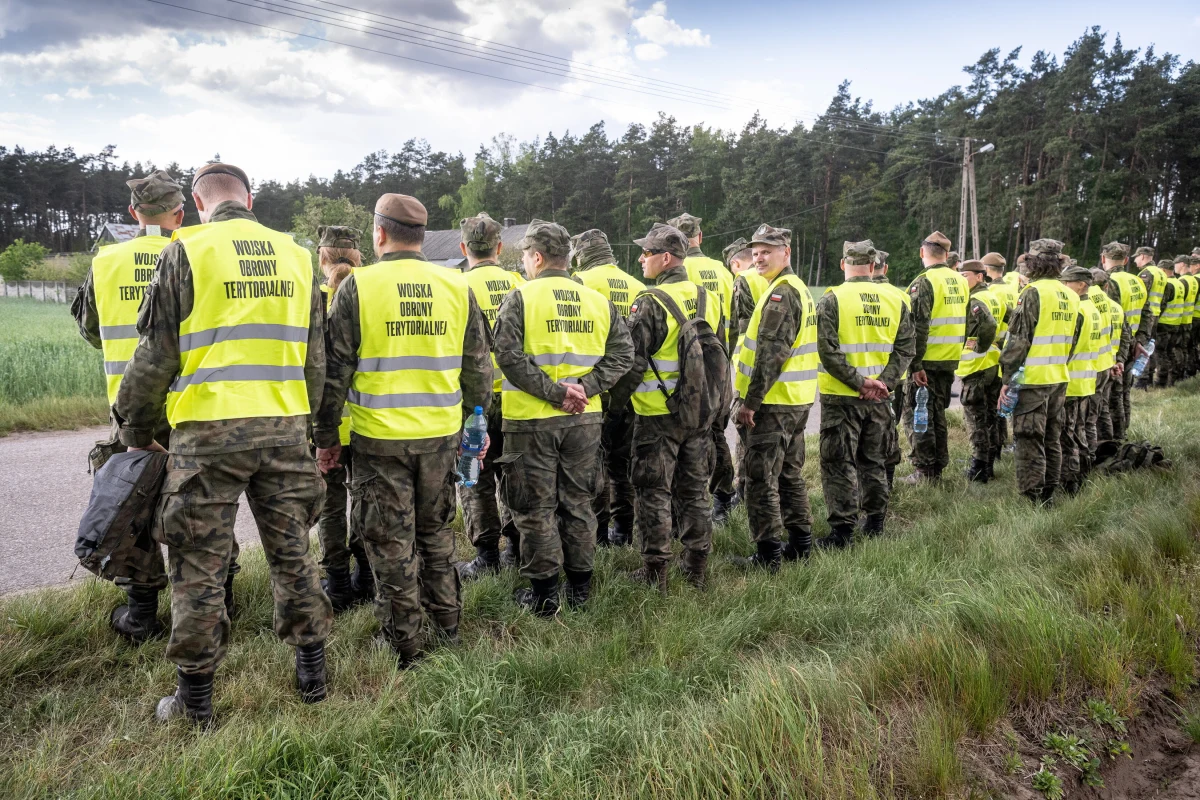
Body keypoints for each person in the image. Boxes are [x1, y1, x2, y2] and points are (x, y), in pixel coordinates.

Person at [114, 162, 333, 723]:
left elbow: (156, 354)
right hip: (285, 430)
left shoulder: (185, 251)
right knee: (293, 555)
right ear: (250, 199)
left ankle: (195, 700)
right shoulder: (298, 255)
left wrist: (135, 429)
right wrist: (308, 430)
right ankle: (312, 673)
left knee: (199, 565)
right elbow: (315, 360)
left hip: (208, 436)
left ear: (198, 200)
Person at [315, 194, 492, 666]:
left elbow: (335, 372)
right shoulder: (456, 286)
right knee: (436, 534)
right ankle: (448, 624)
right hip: (441, 436)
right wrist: (477, 424)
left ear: (379, 234)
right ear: (420, 236)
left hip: (380, 441)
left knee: (390, 544)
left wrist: (326, 437)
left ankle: (404, 642)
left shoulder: (358, 287)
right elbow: (478, 370)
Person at [491, 220, 633, 616]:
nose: (523, 261)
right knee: (578, 502)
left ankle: (545, 595)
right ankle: (581, 590)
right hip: (585, 421)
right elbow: (623, 355)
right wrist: (585, 389)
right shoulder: (596, 301)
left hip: (530, 422)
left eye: (524, 255)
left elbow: (507, 357)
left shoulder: (520, 298)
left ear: (537, 257)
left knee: (534, 507)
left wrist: (557, 393)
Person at [73, 170, 186, 643]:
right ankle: (215, 599)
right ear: (180, 214)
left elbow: (90, 330)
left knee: (132, 508)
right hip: (188, 403)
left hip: (129, 406)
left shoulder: (107, 261)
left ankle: (141, 615)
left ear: (132, 214)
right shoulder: (192, 253)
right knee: (195, 502)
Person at [608, 223, 723, 590]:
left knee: (652, 492)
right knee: (694, 491)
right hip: (700, 412)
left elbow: (632, 362)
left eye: (647, 253)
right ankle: (697, 568)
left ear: (666, 258)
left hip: (657, 414)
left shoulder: (649, 302)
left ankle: (655, 571)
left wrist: (611, 409)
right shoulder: (708, 297)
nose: (641, 258)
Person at [729, 224, 819, 570]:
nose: (759, 257)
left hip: (774, 403)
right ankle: (800, 544)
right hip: (795, 400)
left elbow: (771, 353)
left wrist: (751, 402)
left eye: (767, 250)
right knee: (789, 475)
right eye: (755, 252)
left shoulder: (781, 294)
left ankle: (768, 556)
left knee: (759, 477)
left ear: (786, 252)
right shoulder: (795, 287)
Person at [814, 241, 914, 548]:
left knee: (839, 462)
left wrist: (859, 382)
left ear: (843, 265)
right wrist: (884, 382)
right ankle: (875, 523)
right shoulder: (896, 299)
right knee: (874, 460)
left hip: (842, 397)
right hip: (881, 397)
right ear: (873, 266)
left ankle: (842, 532)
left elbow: (826, 350)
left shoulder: (832, 299)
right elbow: (906, 348)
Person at [454, 212, 525, 580]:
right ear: (499, 247)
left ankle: (486, 556)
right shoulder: (520, 283)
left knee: (474, 475)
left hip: (475, 402)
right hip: (515, 399)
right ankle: (515, 547)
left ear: (463, 248)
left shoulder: (454, 285)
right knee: (512, 472)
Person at [571, 228, 645, 547]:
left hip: (597, 389)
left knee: (595, 465)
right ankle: (625, 529)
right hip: (632, 390)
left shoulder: (582, 284)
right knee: (623, 463)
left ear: (582, 254)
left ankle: (599, 533)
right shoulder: (639, 285)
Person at [313, 225, 373, 611]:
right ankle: (367, 576)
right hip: (368, 422)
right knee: (366, 501)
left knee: (331, 506)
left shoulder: (311, 302)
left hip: (326, 424)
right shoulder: (370, 296)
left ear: (322, 258)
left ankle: (337, 585)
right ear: (359, 258)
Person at [997, 239, 1079, 505]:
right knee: (1052, 438)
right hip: (1058, 377)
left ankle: (1032, 499)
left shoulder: (1033, 293)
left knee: (1029, 440)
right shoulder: (1070, 294)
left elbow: (1018, 341)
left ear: (1034, 263)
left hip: (1032, 381)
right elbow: (1073, 340)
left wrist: (1007, 380)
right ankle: (1049, 493)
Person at [669, 212, 737, 524]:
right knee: (717, 433)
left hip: (686, 366)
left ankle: (685, 503)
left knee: (685, 437)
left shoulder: (677, 268)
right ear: (700, 235)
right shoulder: (721, 270)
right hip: (718, 363)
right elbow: (731, 321)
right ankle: (723, 496)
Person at [901, 231, 969, 483]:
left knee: (918, 415)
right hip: (949, 358)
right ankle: (938, 465)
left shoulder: (925, 281)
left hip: (926, 361)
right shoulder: (960, 280)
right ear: (947, 254)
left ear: (922, 252)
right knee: (938, 413)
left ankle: (924, 469)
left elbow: (918, 326)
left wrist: (915, 363)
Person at [725, 236, 769, 501]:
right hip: (783, 374)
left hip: (749, 366)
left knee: (746, 436)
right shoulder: (787, 282)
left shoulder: (745, 279)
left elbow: (741, 328)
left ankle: (742, 492)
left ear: (736, 263)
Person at [953, 259, 1001, 483]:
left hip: (977, 367)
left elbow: (990, 325)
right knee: (989, 416)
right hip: (993, 365)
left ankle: (979, 467)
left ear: (979, 276)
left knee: (976, 419)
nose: (962, 280)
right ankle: (989, 464)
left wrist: (981, 348)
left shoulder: (975, 299)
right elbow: (1010, 318)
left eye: (966, 276)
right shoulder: (993, 295)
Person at [1060, 265, 1102, 495]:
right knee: (1080, 431)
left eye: (1067, 283)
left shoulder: (1078, 310)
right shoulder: (1093, 309)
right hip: (1086, 379)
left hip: (1071, 382)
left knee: (1067, 436)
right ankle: (1085, 475)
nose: (1064, 287)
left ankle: (1070, 483)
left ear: (1081, 285)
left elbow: (1068, 348)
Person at [1101, 242, 1150, 440]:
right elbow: (1147, 313)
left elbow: (1116, 317)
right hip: (1134, 342)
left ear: (1104, 259)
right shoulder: (1137, 280)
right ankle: (1123, 432)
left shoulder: (1110, 282)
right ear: (1127, 260)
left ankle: (1114, 438)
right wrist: (1140, 341)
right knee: (1125, 393)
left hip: (1117, 345)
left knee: (1113, 396)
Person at [872, 249, 911, 490]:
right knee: (889, 433)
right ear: (884, 268)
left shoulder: (846, 295)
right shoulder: (900, 296)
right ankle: (887, 484)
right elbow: (909, 341)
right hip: (894, 379)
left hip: (859, 382)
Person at [1086, 269, 1127, 455]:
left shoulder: (1089, 304)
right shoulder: (1115, 307)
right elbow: (1125, 336)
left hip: (1095, 366)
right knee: (1104, 409)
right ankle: (1110, 446)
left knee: (1092, 415)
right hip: (1110, 363)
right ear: (1107, 286)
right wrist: (1119, 360)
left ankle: (1099, 452)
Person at [981, 252, 1015, 459]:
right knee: (1000, 403)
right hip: (1009, 349)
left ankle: (992, 449)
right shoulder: (1012, 290)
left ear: (985, 270)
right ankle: (1001, 443)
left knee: (990, 405)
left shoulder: (991, 292)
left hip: (993, 351)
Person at [1132, 246, 1167, 388]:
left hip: (1147, 315)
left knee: (1143, 346)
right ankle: (1149, 376)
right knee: (1150, 346)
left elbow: (1142, 296)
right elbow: (1164, 298)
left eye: (1136, 257)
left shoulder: (1146, 273)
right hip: (1157, 313)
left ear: (1142, 256)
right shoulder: (1161, 273)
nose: (1135, 260)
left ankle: (1142, 380)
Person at [1152, 259, 1185, 387]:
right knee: (1171, 351)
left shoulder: (1167, 284)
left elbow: (1163, 303)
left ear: (1164, 270)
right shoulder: (1179, 283)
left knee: (1161, 353)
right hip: (1176, 322)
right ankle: (1174, 377)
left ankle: (1162, 381)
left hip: (1164, 323)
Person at [1172, 254, 1198, 379]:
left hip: (1181, 320)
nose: (1174, 267)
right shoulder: (1194, 280)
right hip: (1189, 318)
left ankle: (1179, 374)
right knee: (1188, 347)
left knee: (1178, 348)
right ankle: (1189, 371)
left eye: (1176, 264)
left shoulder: (1182, 281)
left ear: (1182, 264)